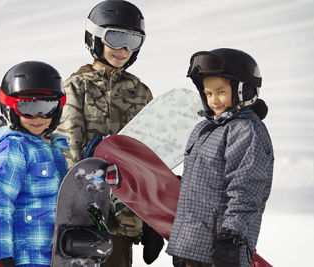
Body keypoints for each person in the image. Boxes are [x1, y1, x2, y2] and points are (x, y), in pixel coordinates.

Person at [55, 1, 163, 266]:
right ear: (95, 37)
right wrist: (78, 205)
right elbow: (69, 151)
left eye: (133, 41)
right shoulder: (75, 88)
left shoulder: (141, 92)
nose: (123, 49)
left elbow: (149, 159)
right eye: (116, 37)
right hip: (82, 219)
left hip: (124, 221)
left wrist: (151, 220)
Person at [166, 48, 274, 267]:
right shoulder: (203, 129)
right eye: (208, 93)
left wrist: (231, 239)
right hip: (190, 248)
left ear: (244, 90)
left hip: (221, 250)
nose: (214, 100)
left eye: (221, 92)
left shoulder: (245, 131)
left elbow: (247, 191)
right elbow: (198, 183)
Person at [0, 61, 69, 267]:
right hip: (26, 259)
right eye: (28, 107)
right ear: (10, 106)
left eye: (48, 107)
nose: (38, 117)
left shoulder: (51, 145)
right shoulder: (14, 147)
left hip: (52, 256)